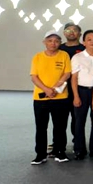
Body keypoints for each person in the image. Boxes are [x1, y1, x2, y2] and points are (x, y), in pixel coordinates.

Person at [30, 30, 73, 165]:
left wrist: (55, 88)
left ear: (60, 42)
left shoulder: (64, 55)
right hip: (41, 98)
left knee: (60, 127)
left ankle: (60, 152)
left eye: (56, 41)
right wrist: (46, 90)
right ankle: (40, 154)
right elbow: (34, 77)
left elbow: (67, 73)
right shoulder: (37, 57)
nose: (53, 43)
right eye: (50, 41)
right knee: (41, 127)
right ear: (44, 42)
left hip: (60, 97)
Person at [71, 29, 93, 159]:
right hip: (82, 91)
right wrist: (76, 96)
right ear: (84, 42)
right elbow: (74, 78)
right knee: (79, 121)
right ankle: (79, 149)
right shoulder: (77, 57)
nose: (92, 42)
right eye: (89, 40)